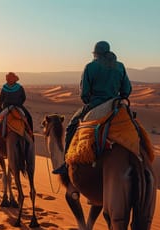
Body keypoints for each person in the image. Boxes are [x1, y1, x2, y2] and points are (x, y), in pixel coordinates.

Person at [53, 41, 132, 174]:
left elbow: (84, 93)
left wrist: (89, 101)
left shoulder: (90, 67)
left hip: (96, 104)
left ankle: (66, 164)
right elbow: (127, 90)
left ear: (96, 53)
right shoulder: (120, 66)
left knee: (71, 127)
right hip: (116, 105)